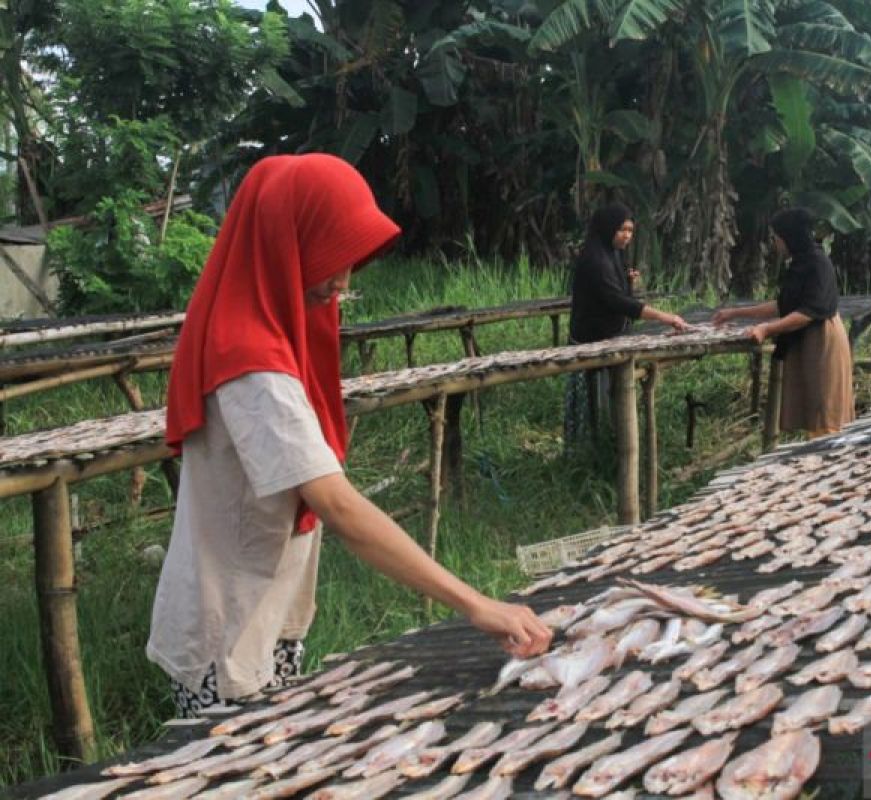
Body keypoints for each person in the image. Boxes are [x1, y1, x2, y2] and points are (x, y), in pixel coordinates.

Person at [147, 154, 551, 717]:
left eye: (351, 261)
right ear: (284, 244)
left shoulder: (259, 327)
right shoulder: (250, 362)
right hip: (230, 638)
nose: (342, 280)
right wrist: (475, 604)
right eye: (330, 258)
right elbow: (336, 505)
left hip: (261, 616)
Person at [712, 207, 855, 437]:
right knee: (814, 412)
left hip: (821, 342)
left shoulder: (817, 264)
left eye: (777, 239)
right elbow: (784, 305)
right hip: (809, 341)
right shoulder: (801, 262)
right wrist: (735, 313)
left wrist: (767, 328)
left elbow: (807, 313)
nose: (776, 245)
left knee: (825, 413)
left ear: (790, 238)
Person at [564, 202, 686, 448]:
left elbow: (619, 295)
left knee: (614, 399)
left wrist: (629, 283)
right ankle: (598, 447)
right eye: (622, 229)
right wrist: (666, 317)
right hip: (593, 341)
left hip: (613, 333)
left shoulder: (613, 254)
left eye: (631, 230)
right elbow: (616, 301)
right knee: (599, 405)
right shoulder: (595, 260)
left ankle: (611, 441)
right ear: (608, 228)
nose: (627, 236)